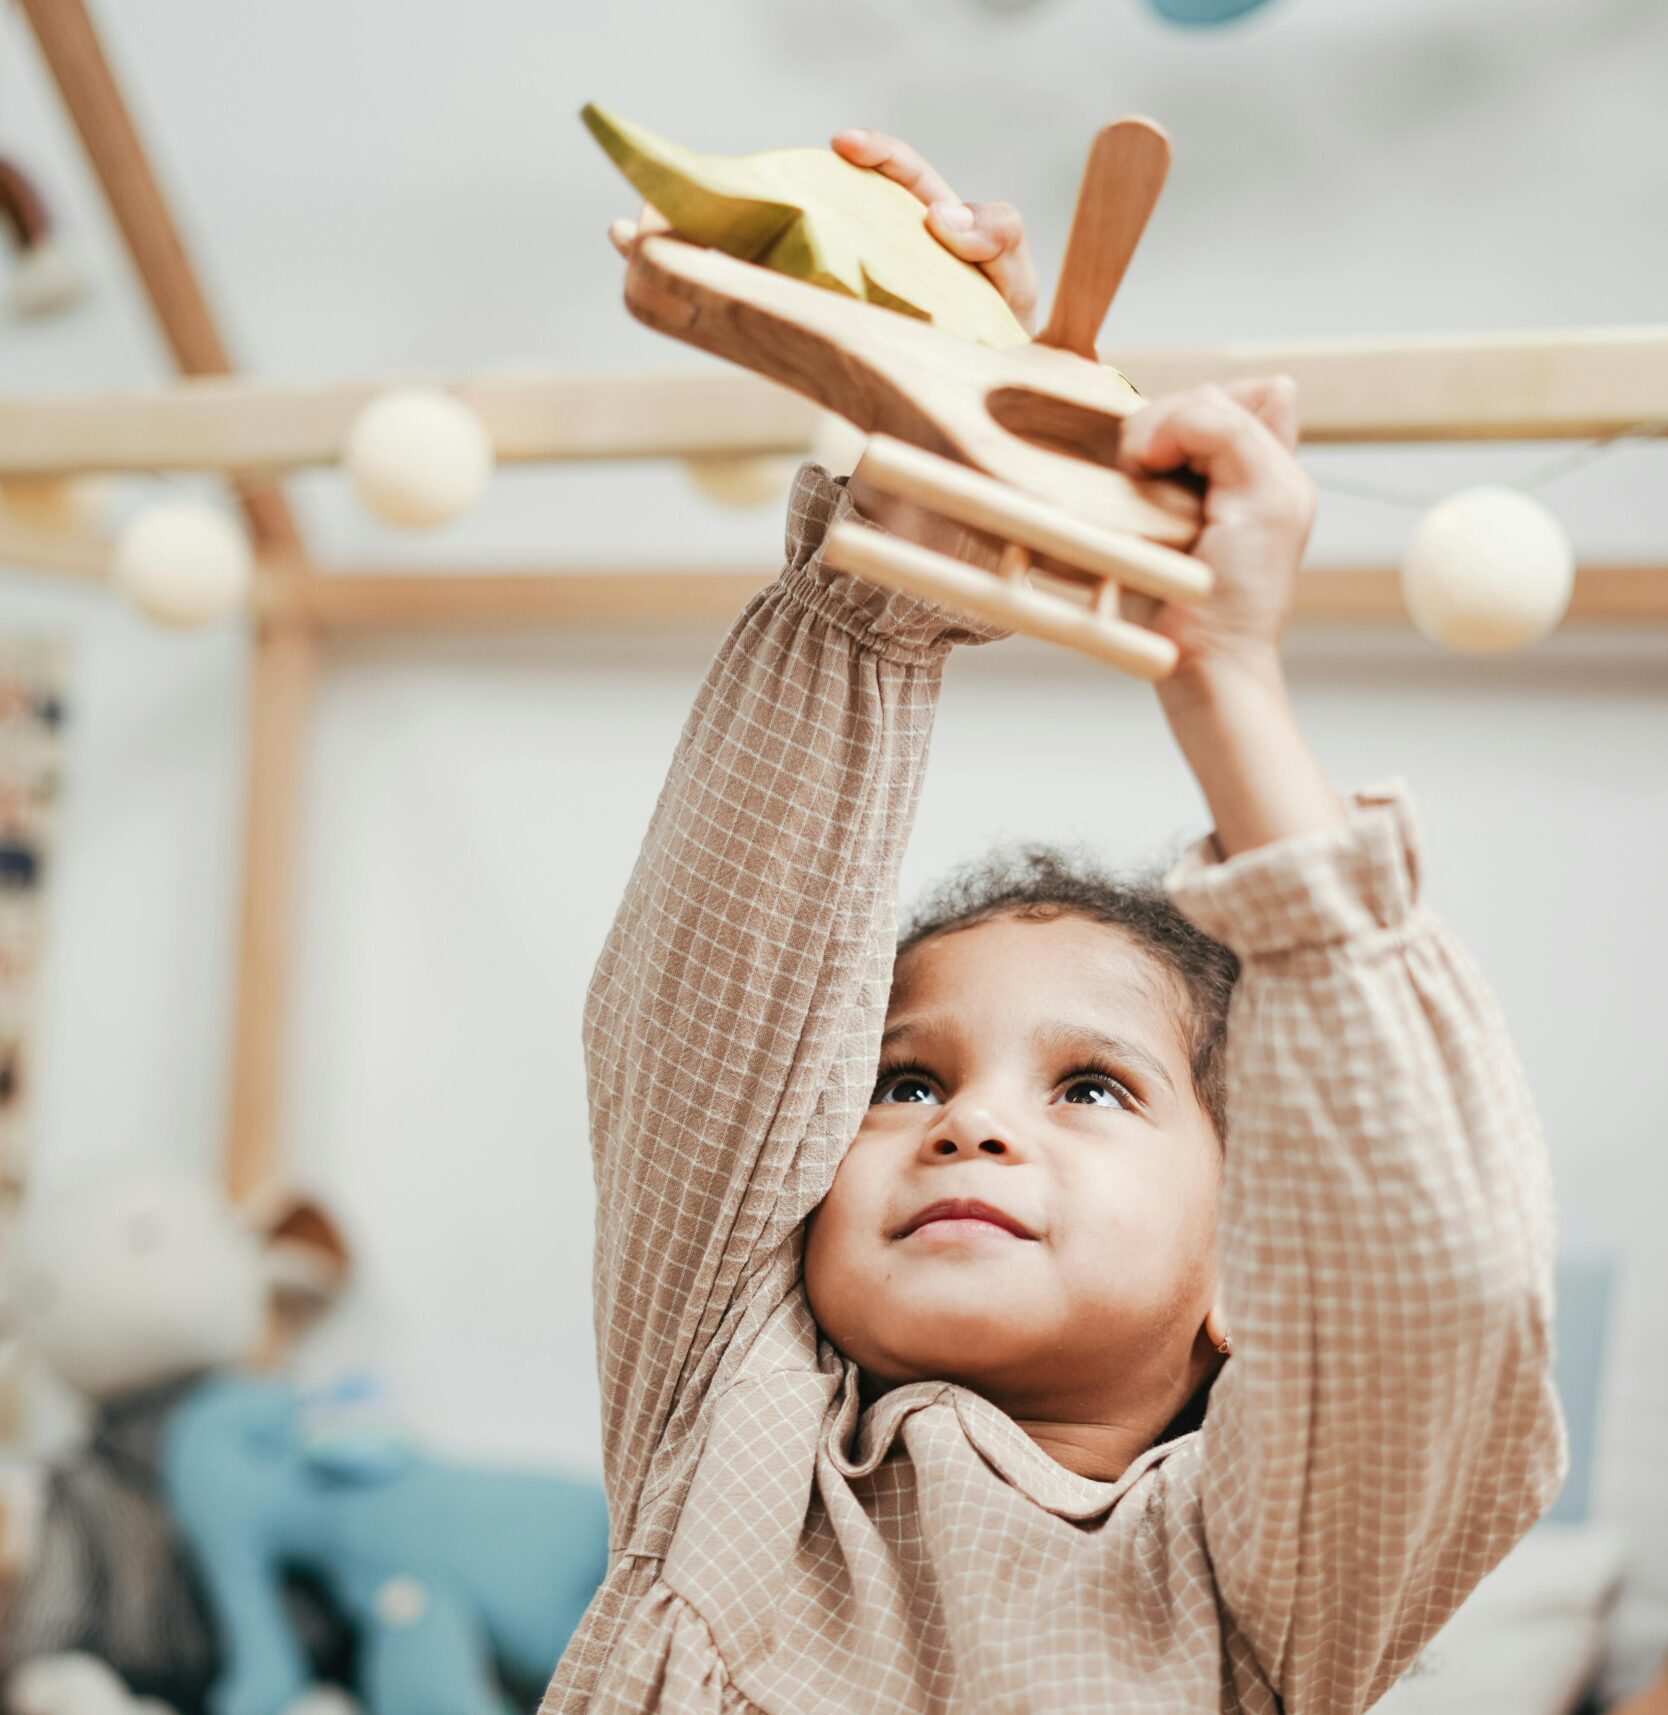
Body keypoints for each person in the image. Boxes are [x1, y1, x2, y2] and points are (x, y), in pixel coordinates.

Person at [544, 129, 1566, 1715]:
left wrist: (1225, 675)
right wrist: (936, 498)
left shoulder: (1262, 1586)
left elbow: (1435, 1279)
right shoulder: (723, 1416)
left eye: (1091, 1086)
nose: (969, 1131)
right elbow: (717, 998)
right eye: (905, 1082)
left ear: (1251, 1265)